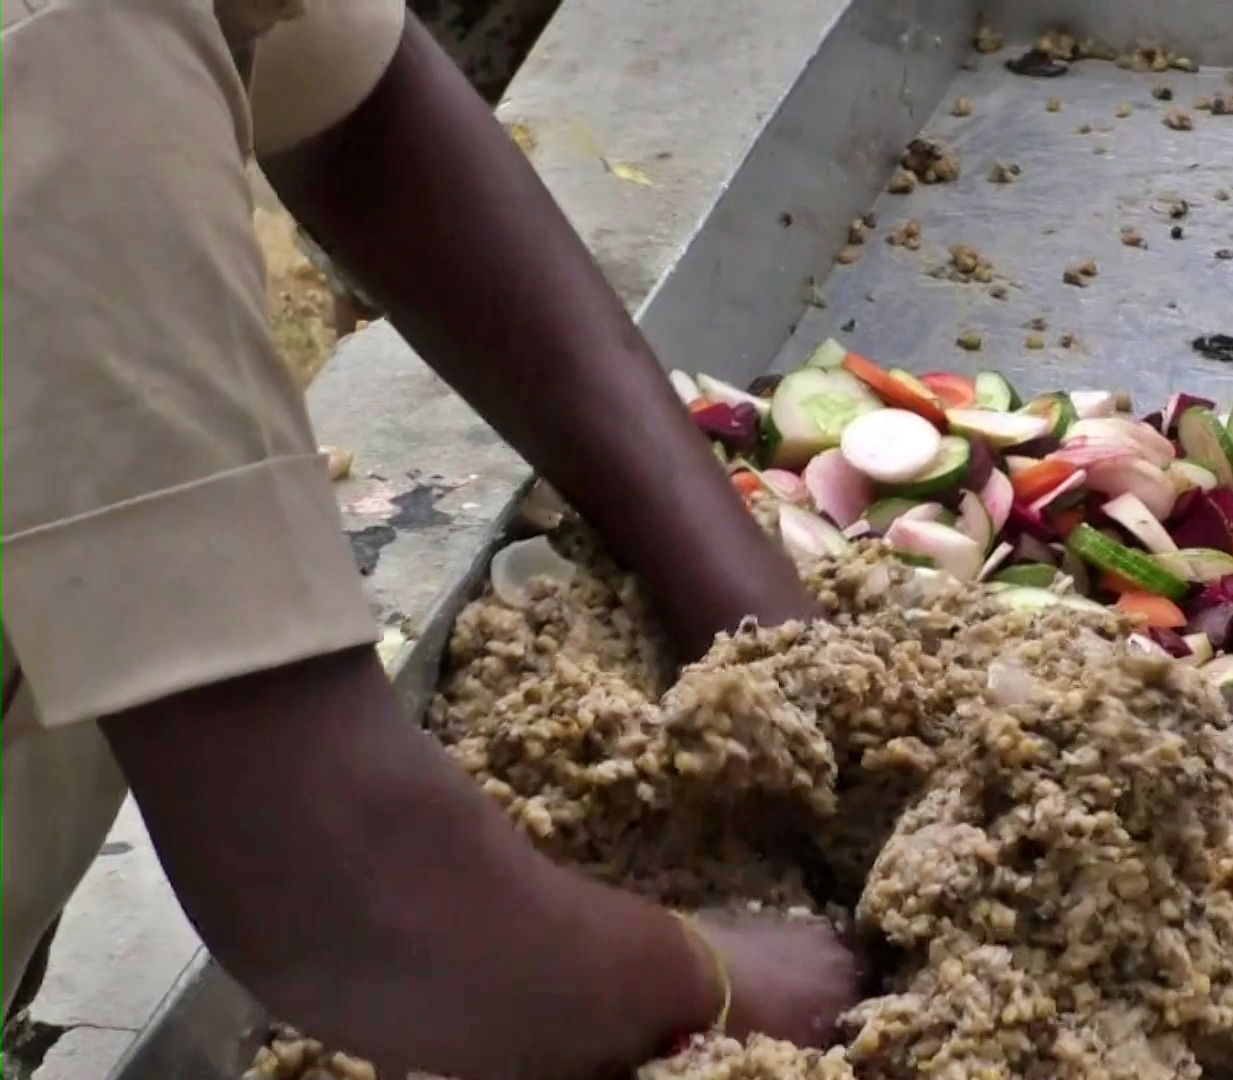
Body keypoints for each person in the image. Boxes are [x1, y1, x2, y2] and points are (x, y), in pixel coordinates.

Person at [1, 1, 860, 1075]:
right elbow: (341, 889)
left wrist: (752, 615)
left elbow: (361, 107)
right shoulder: (57, 57)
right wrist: (723, 978)